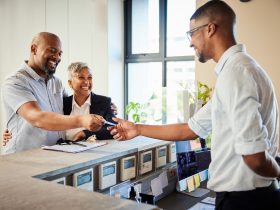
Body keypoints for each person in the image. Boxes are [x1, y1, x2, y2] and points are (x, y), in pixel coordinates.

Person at [109, 1, 280, 209]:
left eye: (191, 33)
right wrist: (137, 128)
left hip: (245, 201)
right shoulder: (239, 70)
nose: (190, 42)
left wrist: (278, 172)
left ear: (210, 28)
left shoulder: (236, 73)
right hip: (248, 196)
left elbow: (255, 157)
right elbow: (190, 129)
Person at [1, 32, 104, 154]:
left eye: (59, 53)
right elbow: (37, 118)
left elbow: (73, 105)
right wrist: (81, 120)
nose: (57, 57)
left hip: (53, 154)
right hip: (23, 157)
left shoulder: (57, 83)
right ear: (34, 49)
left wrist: (105, 106)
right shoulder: (15, 81)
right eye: (52, 51)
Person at [63, 62, 115, 140]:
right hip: (63, 150)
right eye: (81, 77)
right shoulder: (63, 103)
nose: (86, 82)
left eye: (89, 78)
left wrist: (85, 133)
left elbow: (113, 127)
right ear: (70, 83)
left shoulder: (104, 102)